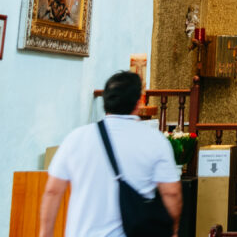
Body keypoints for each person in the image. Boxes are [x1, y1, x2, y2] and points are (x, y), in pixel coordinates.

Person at [38, 71, 181, 237]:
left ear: (106, 101)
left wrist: (45, 234)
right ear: (139, 102)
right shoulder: (155, 140)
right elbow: (171, 192)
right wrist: (173, 231)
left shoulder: (77, 138)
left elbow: (53, 191)